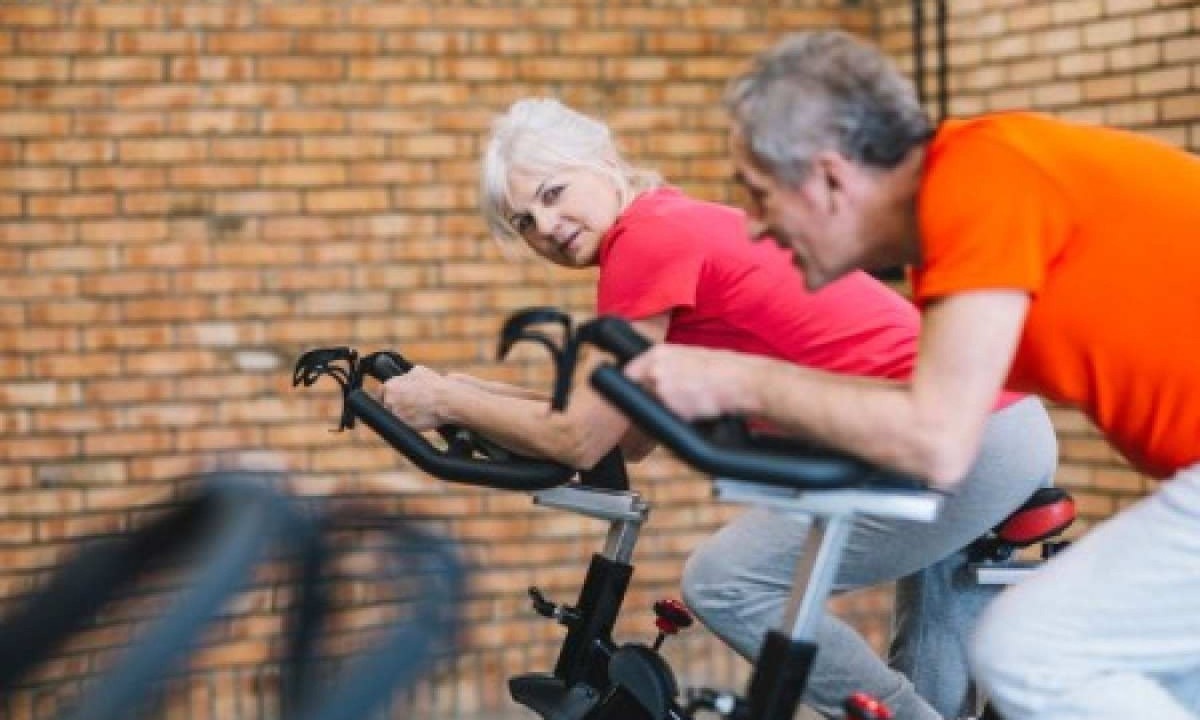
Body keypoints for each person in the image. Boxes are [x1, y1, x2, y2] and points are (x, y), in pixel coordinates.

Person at [379, 97, 1057, 719]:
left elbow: (582, 438)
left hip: (959, 437)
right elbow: (625, 429)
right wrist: (467, 395)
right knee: (929, 682)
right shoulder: (671, 223)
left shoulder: (644, 243)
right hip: (991, 422)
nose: (547, 227)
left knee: (727, 581)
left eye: (553, 195)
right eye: (524, 221)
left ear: (604, 164)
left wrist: (445, 396)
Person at [622, 29, 1200, 720]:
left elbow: (936, 438)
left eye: (759, 195)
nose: (756, 228)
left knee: (1030, 650)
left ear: (830, 178)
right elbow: (921, 401)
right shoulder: (949, 232)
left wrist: (739, 379)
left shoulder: (978, 181)